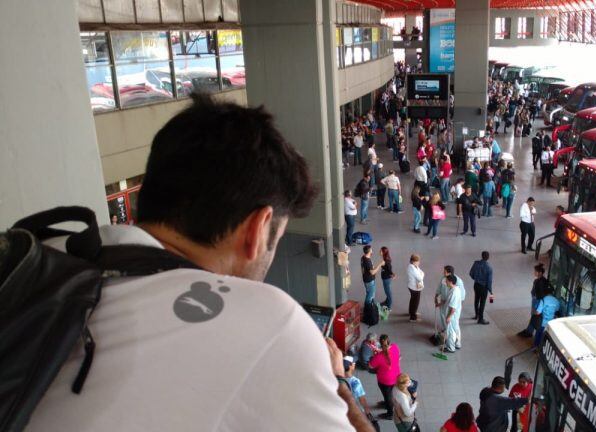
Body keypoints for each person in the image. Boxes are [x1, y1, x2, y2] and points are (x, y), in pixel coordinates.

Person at [27, 94, 369, 431]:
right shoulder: (270, 324)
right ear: (257, 229)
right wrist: (337, 382)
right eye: (276, 240)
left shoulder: (49, 252)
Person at [369, 335, 401, 420]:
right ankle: (387, 403)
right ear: (389, 341)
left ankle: (390, 413)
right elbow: (398, 357)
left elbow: (371, 366)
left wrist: (374, 354)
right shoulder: (395, 347)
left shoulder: (379, 356)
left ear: (380, 344)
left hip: (384, 380)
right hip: (396, 377)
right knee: (391, 394)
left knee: (387, 395)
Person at [518, 263, 549, 338]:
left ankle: (529, 331)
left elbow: (540, 294)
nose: (534, 273)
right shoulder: (541, 280)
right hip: (536, 300)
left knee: (534, 315)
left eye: (536, 271)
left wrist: (535, 297)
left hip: (537, 301)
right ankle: (529, 330)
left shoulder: (539, 282)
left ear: (540, 273)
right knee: (533, 315)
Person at [469, 251, 494, 325]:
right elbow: (489, 281)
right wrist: (490, 290)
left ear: (482, 256)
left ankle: (476, 315)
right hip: (484, 287)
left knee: (476, 300)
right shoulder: (489, 268)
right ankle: (481, 319)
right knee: (482, 302)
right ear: (488, 257)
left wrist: (476, 278)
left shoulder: (476, 263)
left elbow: (471, 273)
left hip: (476, 285)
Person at [441, 275, 463, 352]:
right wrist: (441, 303)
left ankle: (451, 347)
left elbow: (453, 308)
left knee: (450, 331)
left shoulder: (454, 292)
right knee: (456, 328)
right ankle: (457, 343)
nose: (445, 282)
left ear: (450, 282)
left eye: (446, 281)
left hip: (452, 315)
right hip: (455, 315)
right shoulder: (455, 289)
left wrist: (449, 317)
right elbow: (448, 300)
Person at [407, 254, 425, 322]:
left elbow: (422, 272)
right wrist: (422, 275)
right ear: (413, 261)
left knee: (412, 300)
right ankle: (413, 317)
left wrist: (421, 274)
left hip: (412, 287)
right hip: (415, 288)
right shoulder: (412, 268)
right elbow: (420, 277)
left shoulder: (414, 266)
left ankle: (411, 312)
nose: (419, 262)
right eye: (418, 261)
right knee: (415, 302)